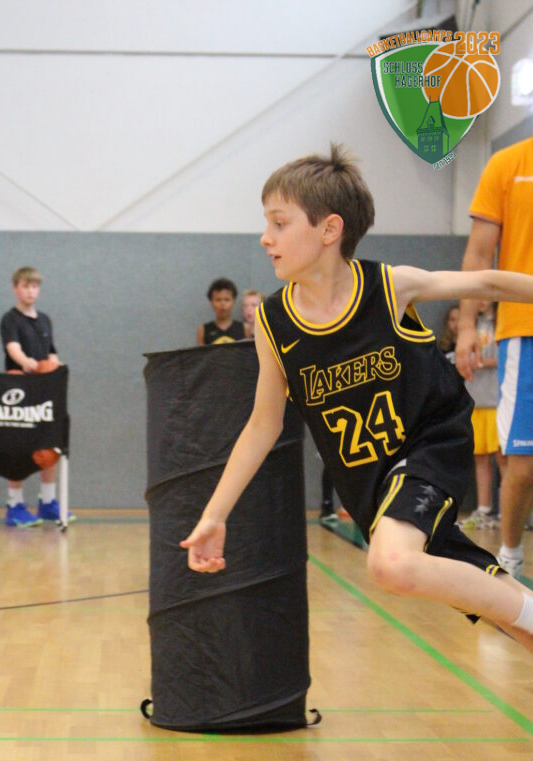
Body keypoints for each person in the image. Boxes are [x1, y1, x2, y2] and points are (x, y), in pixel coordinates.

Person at [180, 145, 533, 652]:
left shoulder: (387, 287)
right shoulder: (275, 324)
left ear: (329, 230)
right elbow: (262, 425)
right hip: (369, 485)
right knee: (501, 611)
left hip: (429, 446)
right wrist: (215, 514)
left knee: (390, 564)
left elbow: (488, 280)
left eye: (279, 223)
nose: (265, 237)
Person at [456, 137, 533, 579]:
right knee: (522, 465)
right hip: (525, 330)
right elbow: (479, 255)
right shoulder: (508, 165)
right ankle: (510, 556)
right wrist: (467, 324)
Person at [0, 266, 62, 527]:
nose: (30, 291)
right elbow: (12, 348)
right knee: (18, 447)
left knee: (49, 444)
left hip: (43, 389)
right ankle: (15, 504)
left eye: (34, 286)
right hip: (19, 386)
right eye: (25, 286)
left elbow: (52, 352)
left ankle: (47, 502)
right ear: (15, 288)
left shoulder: (45, 319)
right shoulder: (10, 319)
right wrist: (28, 363)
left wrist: (55, 367)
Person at [459, 302, 506, 529]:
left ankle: (507, 513)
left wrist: (481, 361)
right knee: (480, 458)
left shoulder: (501, 320)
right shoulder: (471, 324)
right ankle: (484, 510)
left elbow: (505, 357)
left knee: (503, 459)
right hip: (476, 399)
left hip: (497, 400)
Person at [196, 278, 245, 346]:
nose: (222, 304)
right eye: (218, 300)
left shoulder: (244, 328)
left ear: (233, 302)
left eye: (227, 300)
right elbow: (200, 352)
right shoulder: (203, 330)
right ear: (211, 302)